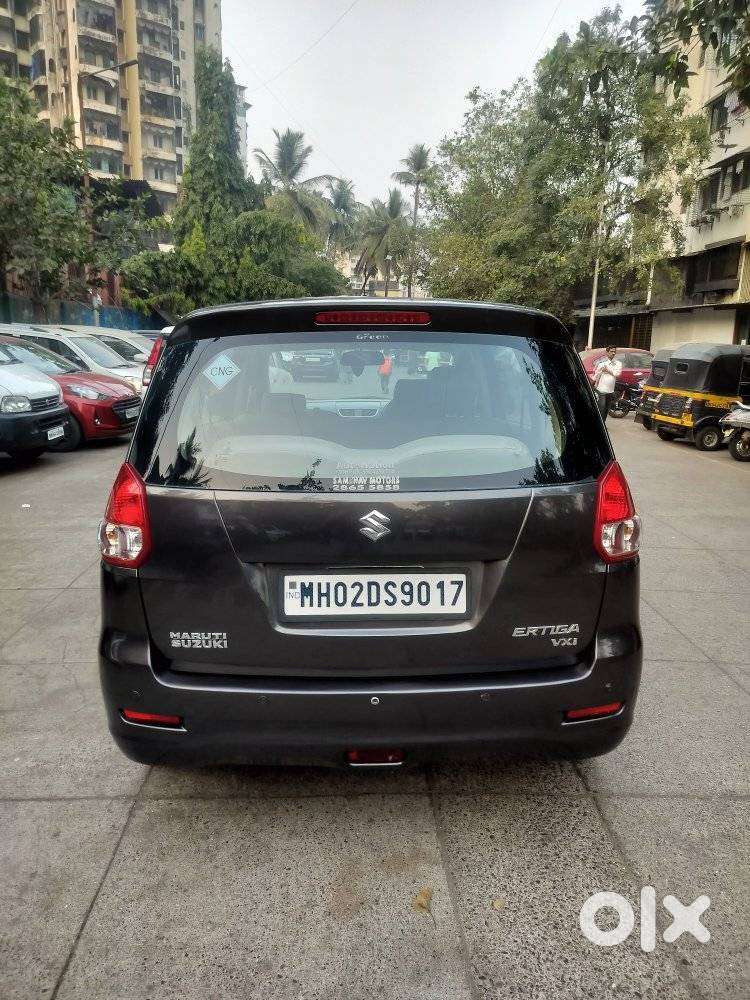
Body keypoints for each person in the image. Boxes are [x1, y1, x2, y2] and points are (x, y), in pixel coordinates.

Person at [593, 346, 622, 421]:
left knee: (606, 408)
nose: (613, 353)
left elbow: (617, 373)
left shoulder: (618, 363)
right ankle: (599, 423)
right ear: (607, 352)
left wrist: (608, 371)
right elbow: (596, 375)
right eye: (611, 351)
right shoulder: (601, 363)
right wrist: (595, 383)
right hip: (601, 389)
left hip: (610, 390)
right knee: (601, 407)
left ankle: (603, 423)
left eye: (614, 351)